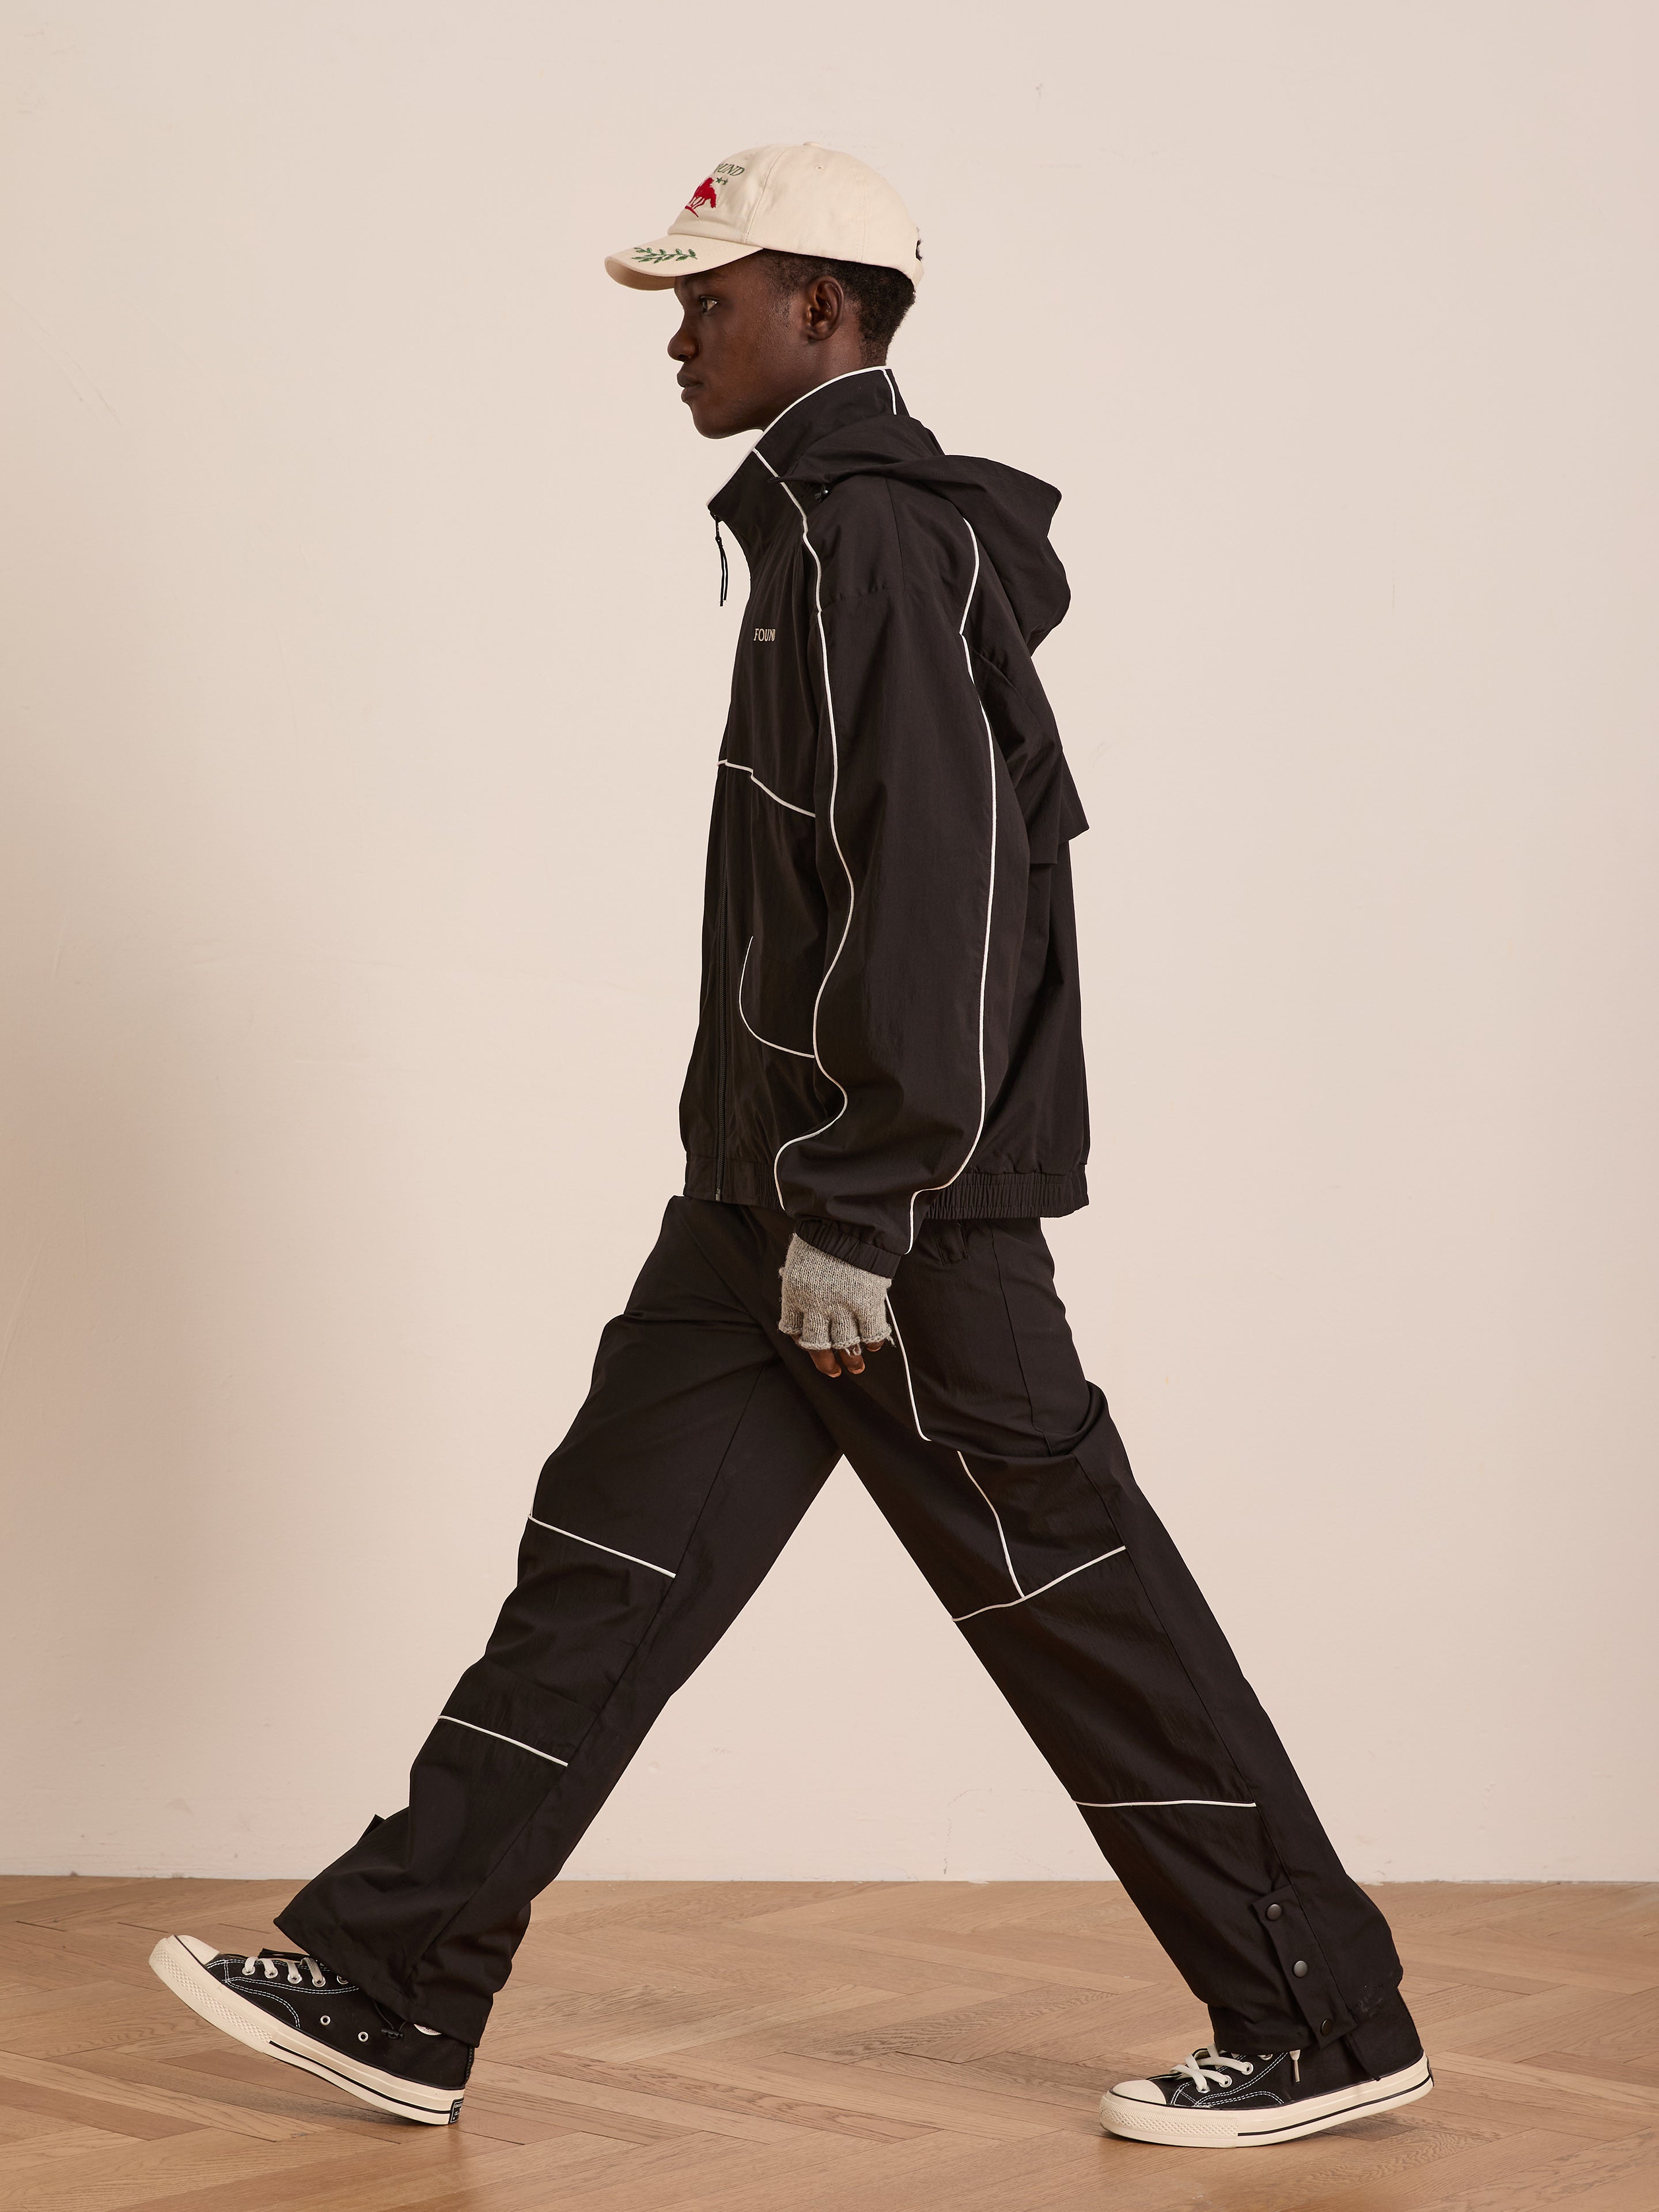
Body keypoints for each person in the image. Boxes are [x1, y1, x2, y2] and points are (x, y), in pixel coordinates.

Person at [149, 142, 1431, 2150]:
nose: (681, 340)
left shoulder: (873, 546)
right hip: (767, 1195)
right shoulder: (816, 539)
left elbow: (935, 898)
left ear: (825, 310)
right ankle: (403, 1978)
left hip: (884, 1211)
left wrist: (859, 1204)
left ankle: (1324, 2016)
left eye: (712, 303)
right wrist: (789, 1190)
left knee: (1075, 1603)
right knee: (602, 1568)